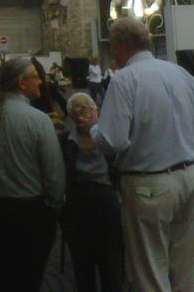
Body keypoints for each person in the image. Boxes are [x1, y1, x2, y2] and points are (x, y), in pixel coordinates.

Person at [80, 18, 194, 292]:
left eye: (112, 45)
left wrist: (94, 128)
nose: (111, 51)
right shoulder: (180, 73)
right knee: (189, 268)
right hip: (191, 177)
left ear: (122, 45)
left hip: (148, 185)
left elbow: (114, 141)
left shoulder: (124, 79)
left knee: (149, 273)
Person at [0, 57, 65, 292]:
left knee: (0, 276)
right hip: (30, 213)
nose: (41, 82)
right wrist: (54, 207)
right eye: (36, 77)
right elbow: (54, 174)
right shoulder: (38, 120)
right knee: (29, 278)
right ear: (22, 83)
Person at [60, 93, 123, 292]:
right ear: (70, 116)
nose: (85, 108)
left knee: (110, 256)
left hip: (106, 196)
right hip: (77, 199)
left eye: (89, 104)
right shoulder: (65, 140)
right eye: (78, 106)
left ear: (97, 111)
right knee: (81, 258)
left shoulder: (109, 137)